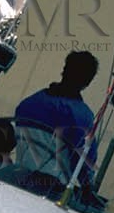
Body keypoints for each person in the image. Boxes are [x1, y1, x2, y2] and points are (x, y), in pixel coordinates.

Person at [13, 49, 101, 197]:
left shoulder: (29, 103)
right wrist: (88, 190)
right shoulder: (81, 116)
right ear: (87, 82)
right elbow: (84, 164)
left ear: (64, 70)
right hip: (51, 192)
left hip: (17, 179)